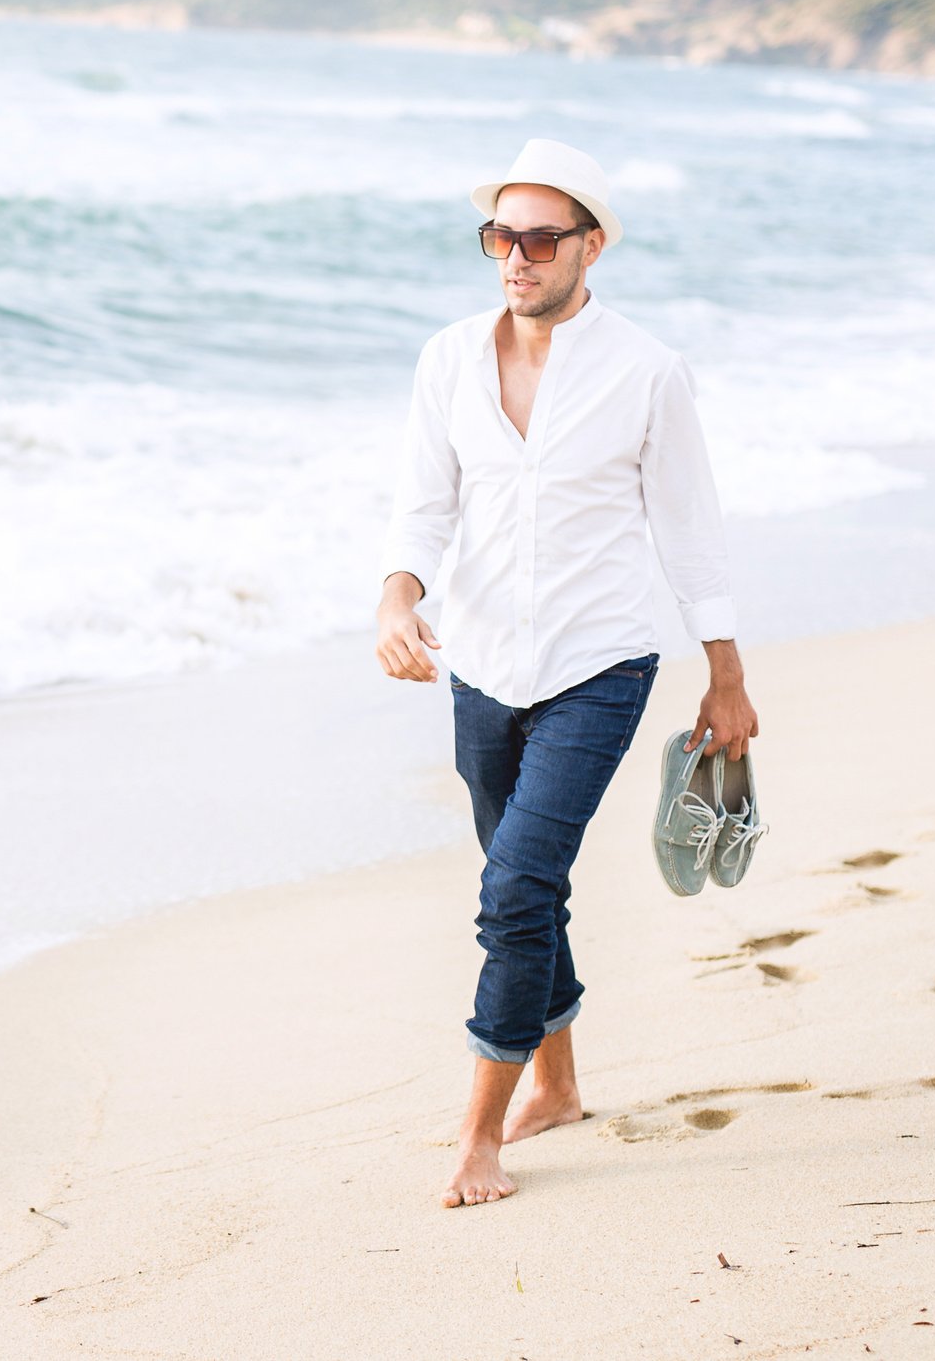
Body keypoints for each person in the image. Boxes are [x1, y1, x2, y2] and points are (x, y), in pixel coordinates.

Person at [373, 139, 760, 1209]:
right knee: (525, 887)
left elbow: (690, 531)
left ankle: (477, 1138)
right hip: (482, 665)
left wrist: (724, 675)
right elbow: (422, 504)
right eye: (501, 236)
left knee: (513, 891)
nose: (517, 257)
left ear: (590, 246)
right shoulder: (448, 359)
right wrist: (397, 594)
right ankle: (558, 1083)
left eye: (541, 238)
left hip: (600, 664)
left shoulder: (647, 371)